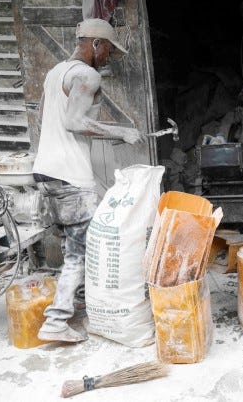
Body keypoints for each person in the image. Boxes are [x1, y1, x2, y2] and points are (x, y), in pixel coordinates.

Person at [33, 18, 143, 342]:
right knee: (81, 250)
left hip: (46, 171)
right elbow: (74, 122)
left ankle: (77, 305)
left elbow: (43, 119)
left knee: (70, 244)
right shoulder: (87, 74)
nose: (108, 57)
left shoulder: (55, 73)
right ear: (96, 44)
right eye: (108, 49)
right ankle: (56, 320)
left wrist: (101, 137)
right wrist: (121, 130)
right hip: (70, 176)